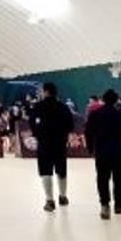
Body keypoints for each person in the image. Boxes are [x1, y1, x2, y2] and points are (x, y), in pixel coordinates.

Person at [85, 89, 121, 220]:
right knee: (119, 179)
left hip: (101, 151)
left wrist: (90, 148)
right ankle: (118, 205)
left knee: (102, 178)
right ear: (116, 100)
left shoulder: (95, 114)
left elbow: (88, 132)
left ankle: (105, 205)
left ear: (103, 100)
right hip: (118, 151)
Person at [30, 82, 74, 212]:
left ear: (46, 92)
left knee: (45, 171)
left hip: (44, 143)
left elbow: (32, 124)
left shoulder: (38, 107)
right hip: (60, 143)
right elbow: (70, 125)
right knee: (61, 170)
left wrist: (38, 134)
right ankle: (63, 196)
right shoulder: (63, 107)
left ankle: (50, 200)